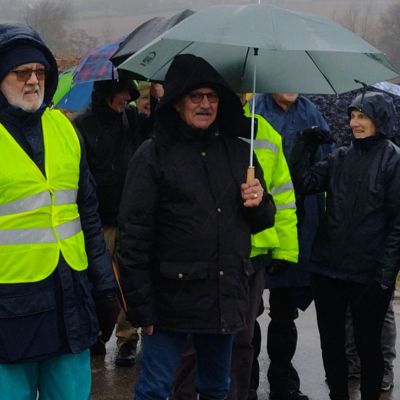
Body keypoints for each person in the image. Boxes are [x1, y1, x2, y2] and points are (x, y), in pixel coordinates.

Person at [0, 23, 121, 400]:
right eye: (22, 73)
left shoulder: (66, 130)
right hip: (4, 315)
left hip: (68, 304)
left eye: (40, 72)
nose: (33, 80)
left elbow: (87, 216)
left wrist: (104, 287)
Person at [118, 54, 277, 400]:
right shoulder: (152, 155)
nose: (205, 104)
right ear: (177, 103)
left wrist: (259, 202)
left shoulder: (240, 154)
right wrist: (140, 307)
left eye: (213, 97)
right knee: (155, 391)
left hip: (222, 297)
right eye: (196, 96)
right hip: (169, 302)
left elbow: (265, 220)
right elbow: (132, 239)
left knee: (216, 388)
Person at [289, 92, 400, 400]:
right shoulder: (340, 156)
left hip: (368, 273)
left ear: (379, 120)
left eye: (363, 116)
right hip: (328, 267)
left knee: (368, 343)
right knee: (330, 342)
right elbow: (304, 183)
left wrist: (385, 276)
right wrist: (303, 146)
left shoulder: (397, 161)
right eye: (353, 116)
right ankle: (338, 395)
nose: (355, 123)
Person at [251, 92, 330, 400]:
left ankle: (283, 378)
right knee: (249, 307)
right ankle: (247, 378)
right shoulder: (253, 109)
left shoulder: (312, 112)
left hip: (299, 221)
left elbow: (327, 163)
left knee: (285, 310)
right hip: (256, 217)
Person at [71, 78, 149, 365]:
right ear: (105, 93)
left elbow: (157, 129)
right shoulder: (82, 125)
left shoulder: (132, 119)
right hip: (98, 219)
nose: (126, 98)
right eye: (120, 93)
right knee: (99, 280)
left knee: (130, 279)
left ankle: (128, 340)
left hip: (131, 216)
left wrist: (159, 96)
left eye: (129, 93)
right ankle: (97, 333)